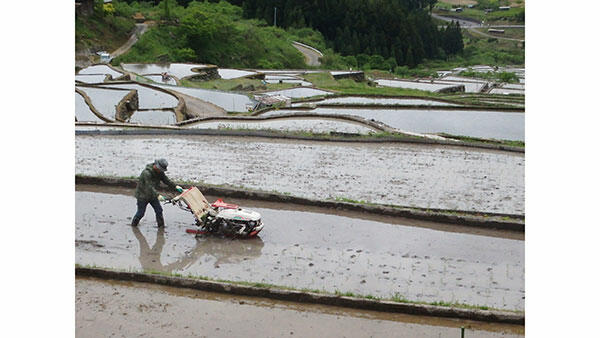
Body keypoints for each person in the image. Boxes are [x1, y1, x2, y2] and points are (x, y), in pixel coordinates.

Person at [131, 158, 184, 227]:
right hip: (143, 195)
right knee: (141, 213)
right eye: (160, 169)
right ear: (156, 166)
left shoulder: (160, 172)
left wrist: (176, 186)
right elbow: (149, 187)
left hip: (152, 195)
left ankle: (161, 226)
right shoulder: (146, 173)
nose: (161, 171)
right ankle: (134, 225)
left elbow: (166, 180)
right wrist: (158, 195)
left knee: (159, 210)